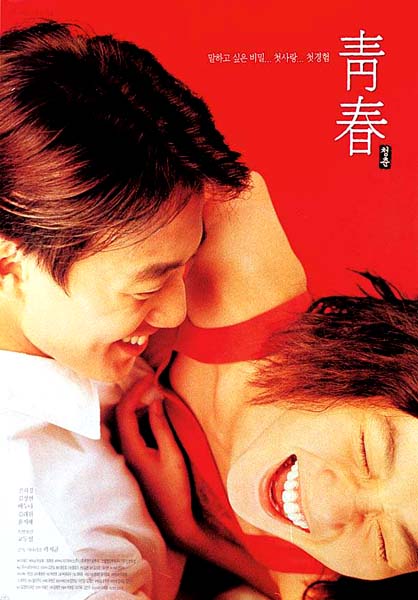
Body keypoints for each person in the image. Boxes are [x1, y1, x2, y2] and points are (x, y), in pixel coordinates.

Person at [0, 21, 250, 600]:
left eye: (185, 265)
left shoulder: (80, 338)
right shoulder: (60, 551)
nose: (176, 312)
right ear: (9, 265)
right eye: (146, 287)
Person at [117, 172, 418, 599]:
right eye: (368, 450)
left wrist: (189, 531)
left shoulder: (310, 581)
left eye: (387, 545)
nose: (327, 510)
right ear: (366, 367)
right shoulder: (243, 265)